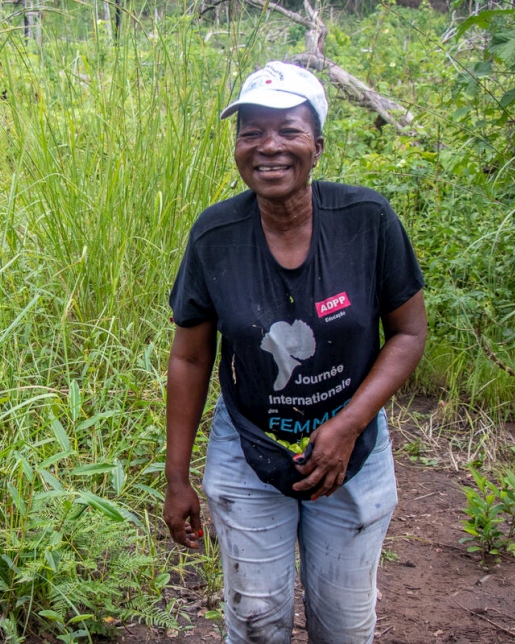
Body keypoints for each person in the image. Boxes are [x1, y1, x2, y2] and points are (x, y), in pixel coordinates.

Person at [163, 61, 427, 644]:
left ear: (318, 145)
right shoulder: (215, 236)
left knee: (344, 625)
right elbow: (189, 358)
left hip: (352, 448)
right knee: (256, 620)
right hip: (250, 441)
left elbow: (408, 334)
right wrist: (175, 477)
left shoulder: (366, 221)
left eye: (288, 130)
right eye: (251, 131)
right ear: (236, 146)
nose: (269, 147)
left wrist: (348, 424)